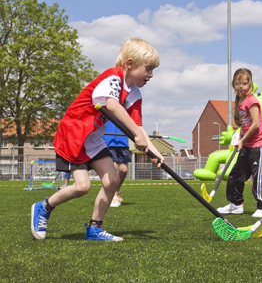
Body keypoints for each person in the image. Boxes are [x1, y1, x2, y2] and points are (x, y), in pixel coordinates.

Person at [31, 38, 164, 241]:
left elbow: (138, 127)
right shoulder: (113, 77)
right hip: (74, 136)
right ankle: (44, 207)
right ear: (130, 64)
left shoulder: (134, 93)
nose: (151, 75)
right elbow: (111, 105)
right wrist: (136, 136)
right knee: (82, 187)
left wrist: (154, 151)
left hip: (93, 141)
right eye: (148, 69)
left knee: (112, 180)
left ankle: (94, 229)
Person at [216, 68, 262, 218]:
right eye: (238, 83)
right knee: (235, 174)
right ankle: (236, 204)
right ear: (233, 84)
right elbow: (244, 124)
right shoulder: (238, 100)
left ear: (250, 84)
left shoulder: (252, 101)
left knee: (257, 177)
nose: (241, 86)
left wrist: (242, 140)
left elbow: (255, 125)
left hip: (259, 145)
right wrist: (238, 136)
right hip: (246, 143)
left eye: (244, 83)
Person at [103, 121, 131, 207]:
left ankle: (117, 190)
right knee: (113, 168)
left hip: (123, 142)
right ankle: (113, 194)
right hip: (108, 141)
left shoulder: (126, 108)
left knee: (124, 170)